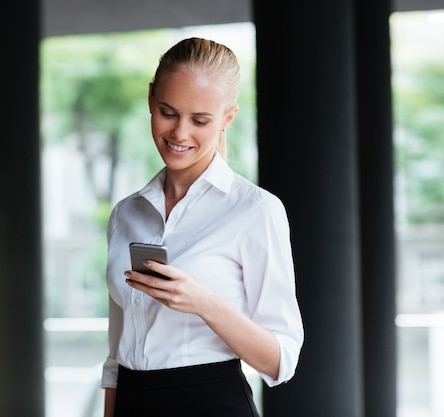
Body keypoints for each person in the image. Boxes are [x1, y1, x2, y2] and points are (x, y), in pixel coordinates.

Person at [101, 37, 304, 417]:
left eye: (200, 120)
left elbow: (281, 361)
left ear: (227, 118)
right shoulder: (125, 214)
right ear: (150, 100)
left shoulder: (255, 211)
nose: (179, 133)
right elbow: (116, 354)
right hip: (132, 402)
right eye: (167, 112)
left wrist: (205, 303)